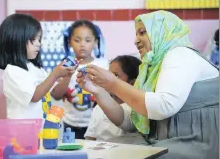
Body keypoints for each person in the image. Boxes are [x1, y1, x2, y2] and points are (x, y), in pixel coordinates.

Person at [77, 10, 219, 159]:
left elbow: (163, 106)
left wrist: (113, 84)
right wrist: (98, 91)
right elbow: (130, 121)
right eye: (137, 34)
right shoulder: (152, 68)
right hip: (162, 140)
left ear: (162, 31)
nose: (136, 40)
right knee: (105, 150)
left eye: (142, 32)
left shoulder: (180, 54)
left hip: (196, 142)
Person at [0, 13, 77, 119]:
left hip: (42, 129)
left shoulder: (36, 69)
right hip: (23, 131)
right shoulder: (13, 72)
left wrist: (68, 75)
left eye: (39, 39)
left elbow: (57, 94)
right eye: (33, 39)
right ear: (15, 40)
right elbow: (34, 96)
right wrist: (55, 74)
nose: (38, 44)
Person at [51, 19, 109, 139]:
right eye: (77, 40)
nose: (82, 44)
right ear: (69, 42)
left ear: (95, 42)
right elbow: (56, 95)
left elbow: (110, 93)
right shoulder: (63, 66)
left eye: (88, 40)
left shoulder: (104, 65)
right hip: (69, 124)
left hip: (97, 124)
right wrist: (67, 75)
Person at [84, 55, 142, 141]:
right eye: (108, 74)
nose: (108, 79)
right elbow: (90, 138)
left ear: (132, 82)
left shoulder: (135, 111)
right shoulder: (99, 107)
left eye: (116, 75)